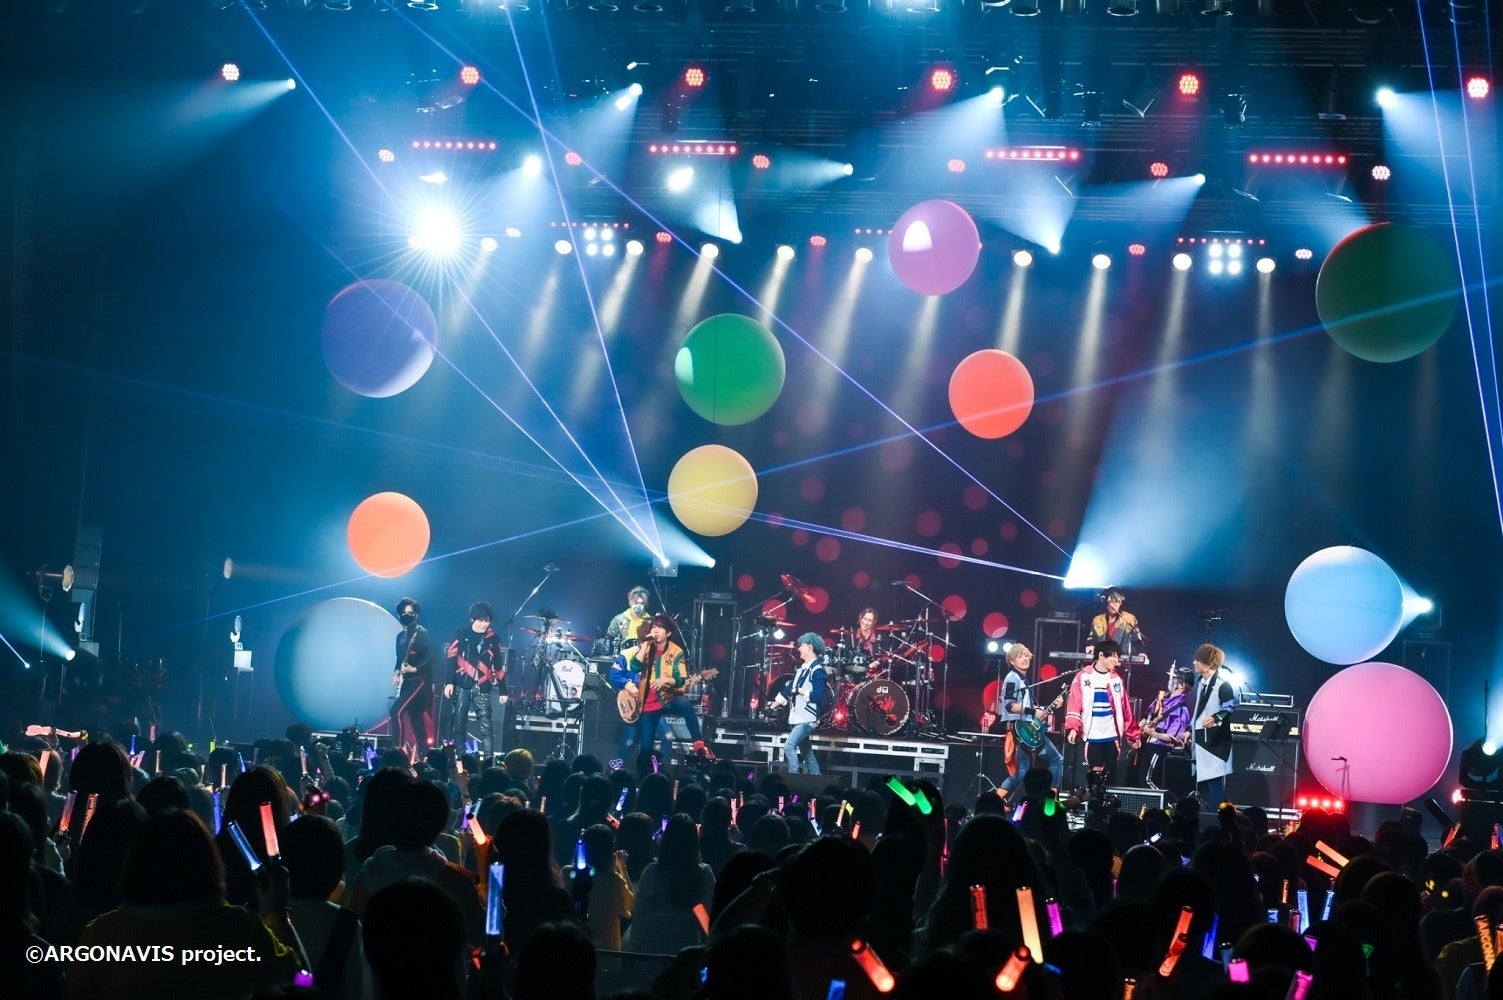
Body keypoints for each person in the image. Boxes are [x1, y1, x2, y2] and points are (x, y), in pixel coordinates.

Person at [982, 643, 1065, 799]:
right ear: (1012, 661)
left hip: (1025, 729)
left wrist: (1051, 707)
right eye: (1019, 656)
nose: (1024, 659)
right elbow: (1010, 705)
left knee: (1021, 774)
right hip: (1022, 730)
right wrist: (1033, 712)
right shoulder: (1013, 679)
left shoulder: (1021, 679)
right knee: (1056, 759)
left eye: (1026, 655)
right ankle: (1052, 799)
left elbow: (1027, 708)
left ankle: (996, 799)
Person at [619, 614, 703, 763]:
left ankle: (698, 742)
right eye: (653, 627)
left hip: (668, 697)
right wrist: (644, 645)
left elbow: (680, 679)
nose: (655, 630)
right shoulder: (646, 648)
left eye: (659, 628)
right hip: (649, 703)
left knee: (684, 704)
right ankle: (646, 771)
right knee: (646, 747)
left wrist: (666, 680)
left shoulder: (677, 651)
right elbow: (635, 666)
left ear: (668, 633)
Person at [1064, 639, 1141, 789]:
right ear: (1101, 655)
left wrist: (1133, 735)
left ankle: (1109, 804)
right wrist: (1073, 728)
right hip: (1092, 735)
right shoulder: (1083, 677)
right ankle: (1094, 802)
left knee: (1110, 776)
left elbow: (1125, 708)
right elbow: (1074, 703)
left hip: (1111, 735)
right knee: (1095, 776)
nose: (1117, 662)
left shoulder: (1116, 679)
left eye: (1118, 658)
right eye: (1114, 657)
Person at [443, 601, 505, 756]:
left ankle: (489, 762)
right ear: (472, 618)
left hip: (482, 687)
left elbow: (499, 665)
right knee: (459, 725)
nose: (484, 624)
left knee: (486, 727)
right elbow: (451, 659)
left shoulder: (493, 638)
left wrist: (503, 690)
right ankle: (460, 759)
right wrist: (449, 682)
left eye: (487, 620)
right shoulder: (461, 633)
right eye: (481, 620)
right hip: (462, 685)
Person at [770, 632, 829, 775]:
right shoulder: (802, 669)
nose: (799, 649)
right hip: (799, 716)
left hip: (808, 717)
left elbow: (818, 696)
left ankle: (793, 777)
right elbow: (788, 689)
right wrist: (773, 705)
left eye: (801, 646)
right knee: (806, 752)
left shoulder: (818, 670)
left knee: (789, 746)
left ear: (810, 647)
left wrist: (800, 691)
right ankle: (817, 778)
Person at [1191, 643, 1236, 811]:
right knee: (1207, 781)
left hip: (1215, 741)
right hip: (1201, 739)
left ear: (1209, 664)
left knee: (1213, 781)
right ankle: (1225, 814)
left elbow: (1229, 707)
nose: (1194, 662)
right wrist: (1189, 730)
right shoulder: (1201, 683)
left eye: (1198, 660)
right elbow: (1198, 711)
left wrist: (1215, 717)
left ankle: (1217, 817)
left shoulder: (1222, 685)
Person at [392, 597, 439, 750]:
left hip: (419, 680)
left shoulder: (421, 633)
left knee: (396, 711)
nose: (407, 616)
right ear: (399, 615)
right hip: (407, 681)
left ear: (416, 615)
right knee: (415, 717)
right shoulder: (400, 636)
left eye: (410, 613)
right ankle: (424, 753)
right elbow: (399, 659)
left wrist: (415, 669)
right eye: (404, 613)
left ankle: (397, 751)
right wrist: (396, 673)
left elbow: (431, 657)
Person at [1138, 667, 1193, 792]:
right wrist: (1133, 734)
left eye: (1174, 678)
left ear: (1182, 685)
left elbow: (1172, 738)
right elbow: (1146, 718)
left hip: (1159, 748)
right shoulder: (1161, 698)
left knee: (1147, 781)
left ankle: (1165, 803)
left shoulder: (1181, 709)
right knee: (1140, 781)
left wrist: (1153, 733)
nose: (1170, 680)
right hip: (1146, 745)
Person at [1088, 587, 1145, 659]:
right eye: (1111, 601)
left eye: (1117, 601)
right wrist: (1091, 650)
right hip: (1102, 660)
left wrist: (1141, 652)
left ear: (1120, 603)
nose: (1114, 605)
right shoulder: (1097, 620)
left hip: (1121, 660)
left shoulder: (1129, 619)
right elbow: (1091, 641)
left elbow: (1137, 640)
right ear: (1105, 602)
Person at [605, 586, 652, 653]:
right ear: (631, 602)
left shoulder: (650, 622)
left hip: (643, 656)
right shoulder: (618, 619)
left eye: (642, 603)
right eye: (636, 603)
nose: (639, 606)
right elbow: (609, 640)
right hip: (621, 655)